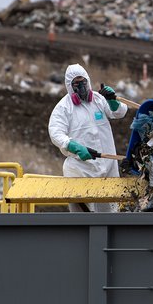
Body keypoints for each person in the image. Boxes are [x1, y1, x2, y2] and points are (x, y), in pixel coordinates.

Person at [48, 63, 127, 213]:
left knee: (110, 215)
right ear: (70, 86)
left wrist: (113, 100)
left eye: (83, 81)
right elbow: (55, 132)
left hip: (108, 167)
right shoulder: (63, 108)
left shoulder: (98, 99)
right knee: (82, 220)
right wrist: (73, 146)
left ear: (88, 81)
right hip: (81, 171)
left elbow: (119, 113)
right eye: (76, 83)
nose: (82, 86)